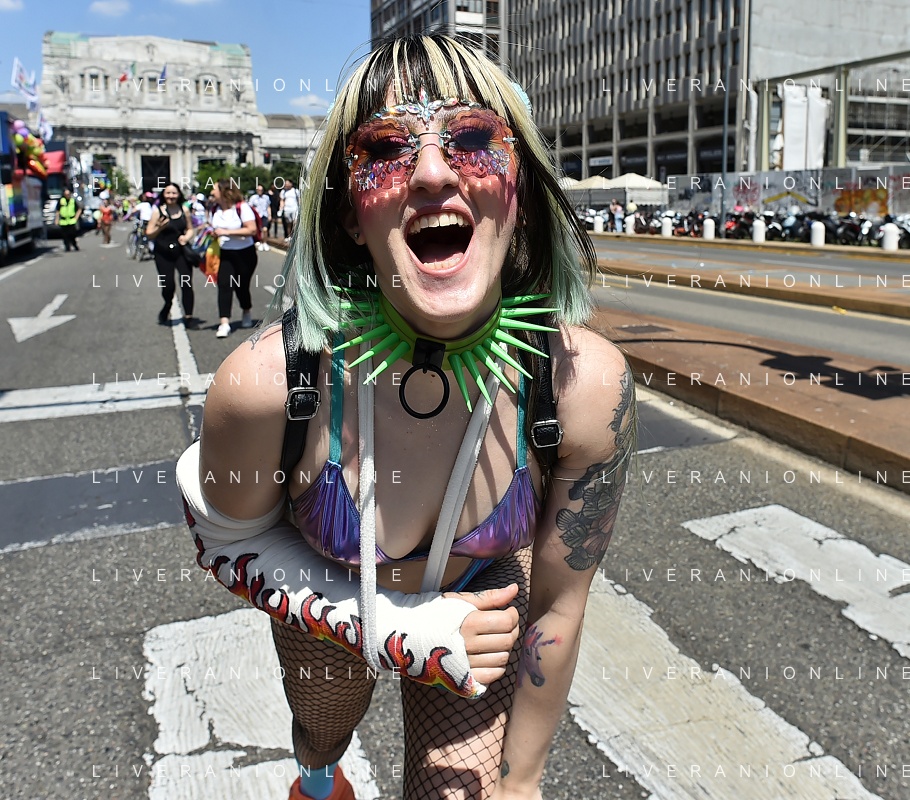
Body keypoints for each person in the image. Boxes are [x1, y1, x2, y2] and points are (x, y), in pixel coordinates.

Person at [175, 34, 633, 800]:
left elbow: (559, 601)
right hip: (324, 593)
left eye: (474, 140)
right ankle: (318, 778)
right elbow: (224, 539)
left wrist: (520, 780)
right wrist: (398, 631)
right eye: (385, 149)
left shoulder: (584, 385)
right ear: (350, 216)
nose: (430, 172)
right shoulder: (266, 382)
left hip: (480, 597)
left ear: (521, 194)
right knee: (320, 733)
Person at [209, 178, 258, 337]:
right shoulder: (215, 209)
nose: (211, 192)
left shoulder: (241, 207)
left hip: (245, 254)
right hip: (225, 254)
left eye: (214, 189)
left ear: (224, 191)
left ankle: (246, 310)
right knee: (224, 285)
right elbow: (214, 228)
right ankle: (224, 323)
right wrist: (213, 234)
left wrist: (226, 232)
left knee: (241, 287)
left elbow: (251, 230)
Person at [146, 182, 197, 329]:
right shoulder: (158, 212)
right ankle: (167, 305)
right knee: (168, 286)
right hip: (163, 253)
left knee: (186, 283)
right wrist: (159, 228)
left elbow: (190, 229)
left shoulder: (184, 210)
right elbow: (149, 234)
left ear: (179, 195)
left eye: (174, 193)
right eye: (168, 193)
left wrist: (186, 237)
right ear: (163, 195)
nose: (171, 196)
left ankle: (189, 317)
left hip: (181, 251)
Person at [248, 184, 273, 249]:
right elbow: (250, 207)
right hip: (257, 216)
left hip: (264, 215)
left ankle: (265, 242)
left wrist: (270, 215)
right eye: (259, 190)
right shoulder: (253, 197)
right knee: (259, 230)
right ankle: (260, 242)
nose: (260, 191)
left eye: (261, 190)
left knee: (265, 229)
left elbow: (268, 206)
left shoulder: (266, 197)